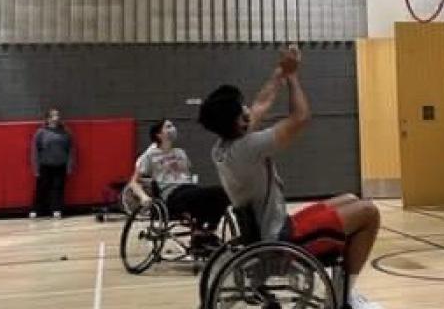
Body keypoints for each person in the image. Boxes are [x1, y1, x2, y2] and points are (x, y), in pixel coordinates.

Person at [199, 47, 383, 309]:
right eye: (242, 109)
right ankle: (345, 299)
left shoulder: (222, 147)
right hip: (279, 239)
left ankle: (343, 286)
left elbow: (261, 103)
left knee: (350, 199)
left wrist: (281, 72)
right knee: (369, 212)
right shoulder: (247, 147)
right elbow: (301, 117)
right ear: (239, 122)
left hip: (270, 228)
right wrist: (294, 77)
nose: (247, 109)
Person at [126, 119, 229, 239]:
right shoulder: (150, 156)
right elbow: (133, 182)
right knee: (203, 194)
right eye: (168, 126)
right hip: (172, 194)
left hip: (189, 188)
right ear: (159, 134)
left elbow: (186, 176)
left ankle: (205, 231)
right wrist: (144, 197)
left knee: (223, 193)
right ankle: (201, 233)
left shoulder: (180, 153)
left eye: (173, 126)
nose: (173, 129)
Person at [29, 108, 74, 219]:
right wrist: (36, 168)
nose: (57, 118)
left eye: (58, 115)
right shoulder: (41, 132)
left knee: (58, 188)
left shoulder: (65, 132)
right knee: (41, 188)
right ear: (48, 119)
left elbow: (71, 150)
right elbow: (35, 151)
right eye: (54, 116)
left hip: (60, 165)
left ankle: (56, 209)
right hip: (45, 165)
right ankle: (36, 210)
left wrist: (69, 166)